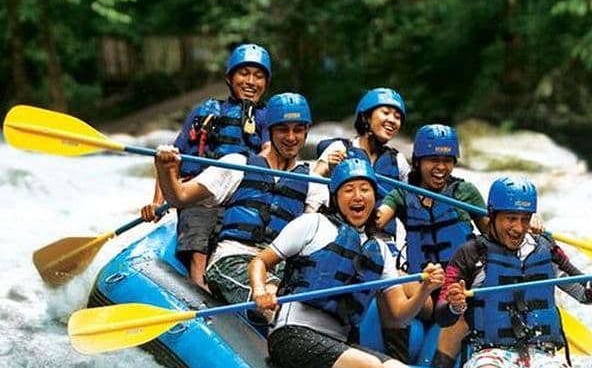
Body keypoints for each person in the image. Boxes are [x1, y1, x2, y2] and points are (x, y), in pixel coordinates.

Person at [249, 158, 445, 368]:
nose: (358, 196)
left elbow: (398, 316)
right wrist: (260, 291)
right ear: (335, 197)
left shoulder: (380, 249)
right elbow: (260, 261)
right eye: (348, 190)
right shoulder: (313, 224)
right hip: (292, 335)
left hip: (338, 343)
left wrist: (425, 289)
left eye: (365, 189)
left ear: (374, 198)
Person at [434, 176, 592, 368]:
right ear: (492, 215)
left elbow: (585, 293)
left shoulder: (546, 249)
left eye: (525, 219)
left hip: (540, 354)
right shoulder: (470, 253)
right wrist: (454, 306)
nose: (518, 228)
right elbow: (443, 316)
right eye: (511, 218)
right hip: (490, 353)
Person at [141, 43, 272, 289]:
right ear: (229, 78)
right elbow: (170, 160)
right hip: (200, 192)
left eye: (259, 76)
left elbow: (269, 152)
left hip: (241, 196)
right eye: (244, 73)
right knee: (201, 212)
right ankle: (198, 284)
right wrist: (157, 203)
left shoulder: (267, 117)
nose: (251, 81)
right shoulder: (205, 111)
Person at [204, 92, 326, 314]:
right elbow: (180, 197)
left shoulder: (312, 182)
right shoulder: (240, 164)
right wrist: (167, 169)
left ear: (307, 132)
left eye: (298, 129)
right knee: (281, 303)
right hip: (235, 258)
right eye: (283, 129)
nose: (291, 137)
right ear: (270, 131)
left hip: (278, 267)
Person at [374, 124, 488, 361]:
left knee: (468, 299)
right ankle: (397, 361)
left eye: (447, 160)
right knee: (390, 276)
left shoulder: (465, 192)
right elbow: (378, 218)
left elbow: (496, 232)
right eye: (433, 160)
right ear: (418, 161)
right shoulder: (403, 194)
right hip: (424, 291)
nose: (441, 167)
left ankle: (440, 366)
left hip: (459, 290)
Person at [309, 87, 410, 239]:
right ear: (367, 117)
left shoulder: (398, 160)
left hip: (383, 239)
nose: (392, 120)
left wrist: (394, 206)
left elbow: (413, 198)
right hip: (340, 235)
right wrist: (330, 171)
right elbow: (312, 185)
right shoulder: (340, 148)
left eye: (397, 117)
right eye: (386, 112)